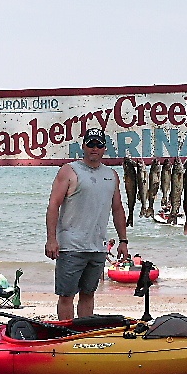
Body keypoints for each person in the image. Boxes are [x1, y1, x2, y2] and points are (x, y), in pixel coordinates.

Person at [45, 127, 129, 320]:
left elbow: (117, 209)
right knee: (66, 295)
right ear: (83, 146)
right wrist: (51, 239)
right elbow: (53, 205)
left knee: (88, 294)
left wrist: (123, 241)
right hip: (70, 246)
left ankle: (83, 334)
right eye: (90, 144)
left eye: (99, 145)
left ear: (104, 149)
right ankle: (67, 336)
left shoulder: (112, 175)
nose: (94, 148)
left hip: (98, 247)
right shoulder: (69, 170)